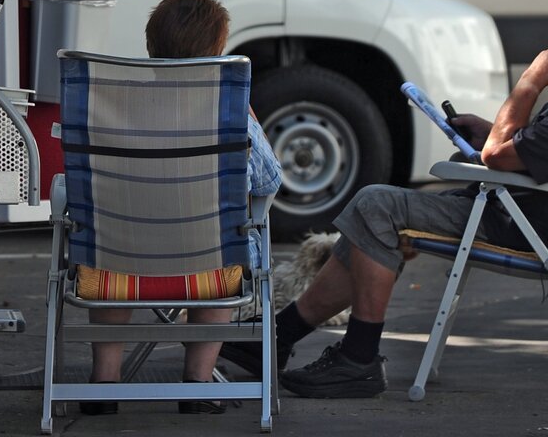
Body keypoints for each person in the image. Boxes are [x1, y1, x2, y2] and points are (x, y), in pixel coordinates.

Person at [222, 50, 548, 399]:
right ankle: (275, 339)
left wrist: (530, 82)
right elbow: (527, 150)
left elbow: (498, 157)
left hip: (517, 223)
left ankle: (358, 359)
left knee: (377, 206)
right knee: (373, 216)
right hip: (513, 208)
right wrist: (492, 131)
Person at [85, 0, 281, 416]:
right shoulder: (230, 117)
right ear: (218, 49)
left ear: (151, 47)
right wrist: (248, 118)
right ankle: (196, 383)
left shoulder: (109, 109)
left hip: (117, 266)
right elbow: (269, 181)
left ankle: (104, 383)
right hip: (205, 270)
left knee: (104, 243)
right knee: (224, 251)